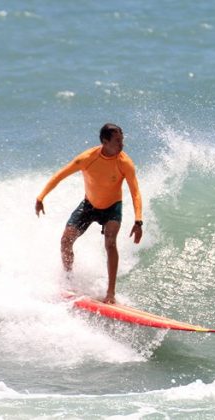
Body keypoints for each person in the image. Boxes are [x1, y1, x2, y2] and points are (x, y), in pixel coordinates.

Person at [35, 123, 143, 304]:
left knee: (110, 242)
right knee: (65, 240)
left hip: (112, 207)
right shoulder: (87, 158)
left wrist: (138, 221)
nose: (121, 144)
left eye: (122, 140)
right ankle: (68, 281)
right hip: (89, 205)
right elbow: (60, 175)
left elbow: (135, 192)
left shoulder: (125, 162)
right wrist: (41, 197)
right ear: (105, 141)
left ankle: (110, 293)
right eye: (117, 141)